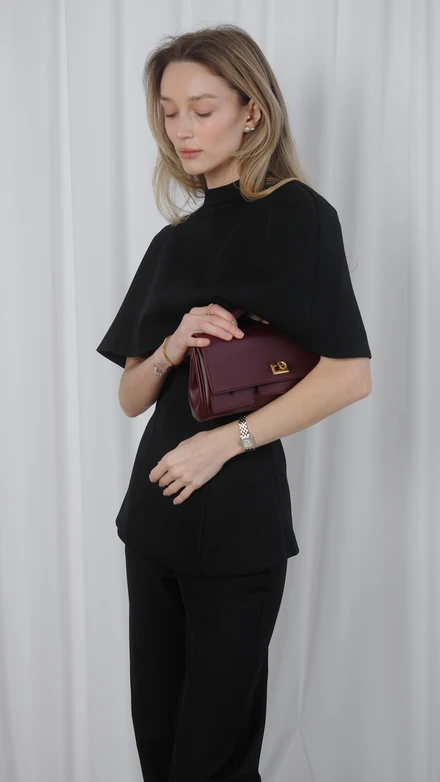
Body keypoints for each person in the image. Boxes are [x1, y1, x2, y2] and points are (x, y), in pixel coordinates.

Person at [96, 23, 372, 782]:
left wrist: (224, 441)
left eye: (202, 109)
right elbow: (130, 396)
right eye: (168, 112)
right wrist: (171, 343)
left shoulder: (299, 216)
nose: (181, 129)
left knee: (213, 762)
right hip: (152, 519)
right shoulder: (172, 244)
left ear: (252, 111)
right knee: (160, 750)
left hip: (236, 529)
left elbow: (350, 375)